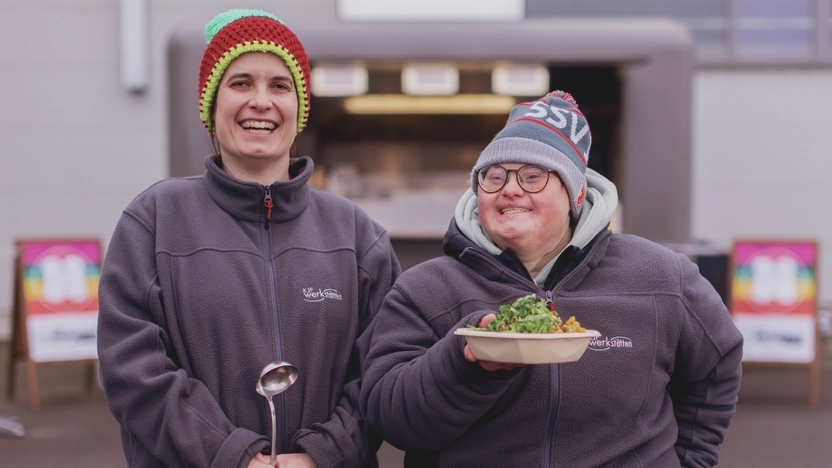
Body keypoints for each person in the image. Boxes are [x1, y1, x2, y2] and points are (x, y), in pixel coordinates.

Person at [359, 91, 743, 467]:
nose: (510, 188)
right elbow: (390, 418)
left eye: (532, 176)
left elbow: (717, 363)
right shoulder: (425, 289)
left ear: (576, 193)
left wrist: (691, 460)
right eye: (494, 176)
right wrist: (466, 365)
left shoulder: (662, 277)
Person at [97, 9, 400, 468]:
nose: (262, 101)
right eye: (240, 83)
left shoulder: (356, 234)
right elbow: (133, 371)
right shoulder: (155, 220)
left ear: (299, 108)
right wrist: (235, 456)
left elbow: (383, 368)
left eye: (280, 86)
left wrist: (320, 454)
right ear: (211, 105)